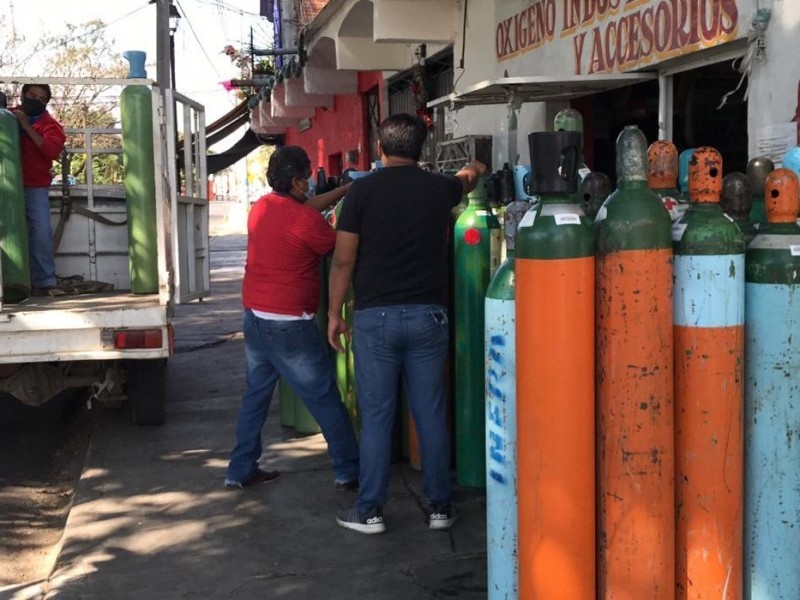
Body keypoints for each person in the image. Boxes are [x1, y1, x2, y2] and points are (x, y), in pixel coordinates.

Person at [327, 113, 486, 534]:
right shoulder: (439, 188)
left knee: (377, 416)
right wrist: (477, 167)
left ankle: (371, 511)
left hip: (374, 319)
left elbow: (344, 259)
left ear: (380, 149)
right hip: (428, 317)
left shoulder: (360, 194)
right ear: (421, 151)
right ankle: (439, 508)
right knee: (430, 412)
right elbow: (466, 179)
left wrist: (333, 313)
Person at [225, 146, 359, 491]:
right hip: (289, 326)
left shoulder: (262, 208)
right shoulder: (306, 222)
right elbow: (340, 251)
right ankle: (349, 470)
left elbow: (303, 210)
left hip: (255, 317)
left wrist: (344, 190)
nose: (310, 186)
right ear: (298, 181)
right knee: (324, 397)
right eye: (307, 179)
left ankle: (240, 470)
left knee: (255, 396)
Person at [11, 84, 66, 297]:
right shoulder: (8, 115)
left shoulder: (51, 126)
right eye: (32, 95)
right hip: (7, 187)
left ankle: (44, 281)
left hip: (34, 187)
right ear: (23, 95)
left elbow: (51, 151)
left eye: (41, 99)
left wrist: (25, 126)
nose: (35, 100)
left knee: (41, 233)